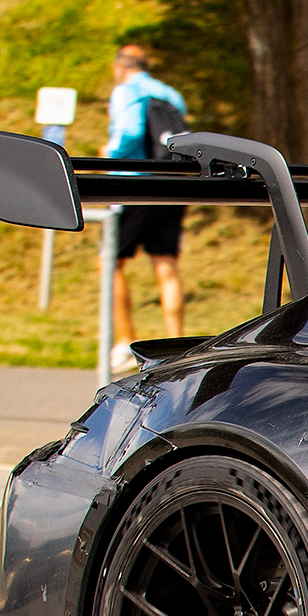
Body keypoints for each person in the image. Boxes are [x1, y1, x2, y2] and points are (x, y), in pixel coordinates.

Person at [104, 45, 189, 372]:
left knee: (110, 263)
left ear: (119, 67)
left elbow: (129, 134)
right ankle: (177, 349)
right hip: (174, 185)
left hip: (137, 185)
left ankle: (125, 341)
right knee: (166, 264)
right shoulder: (170, 93)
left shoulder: (127, 90)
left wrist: (109, 152)